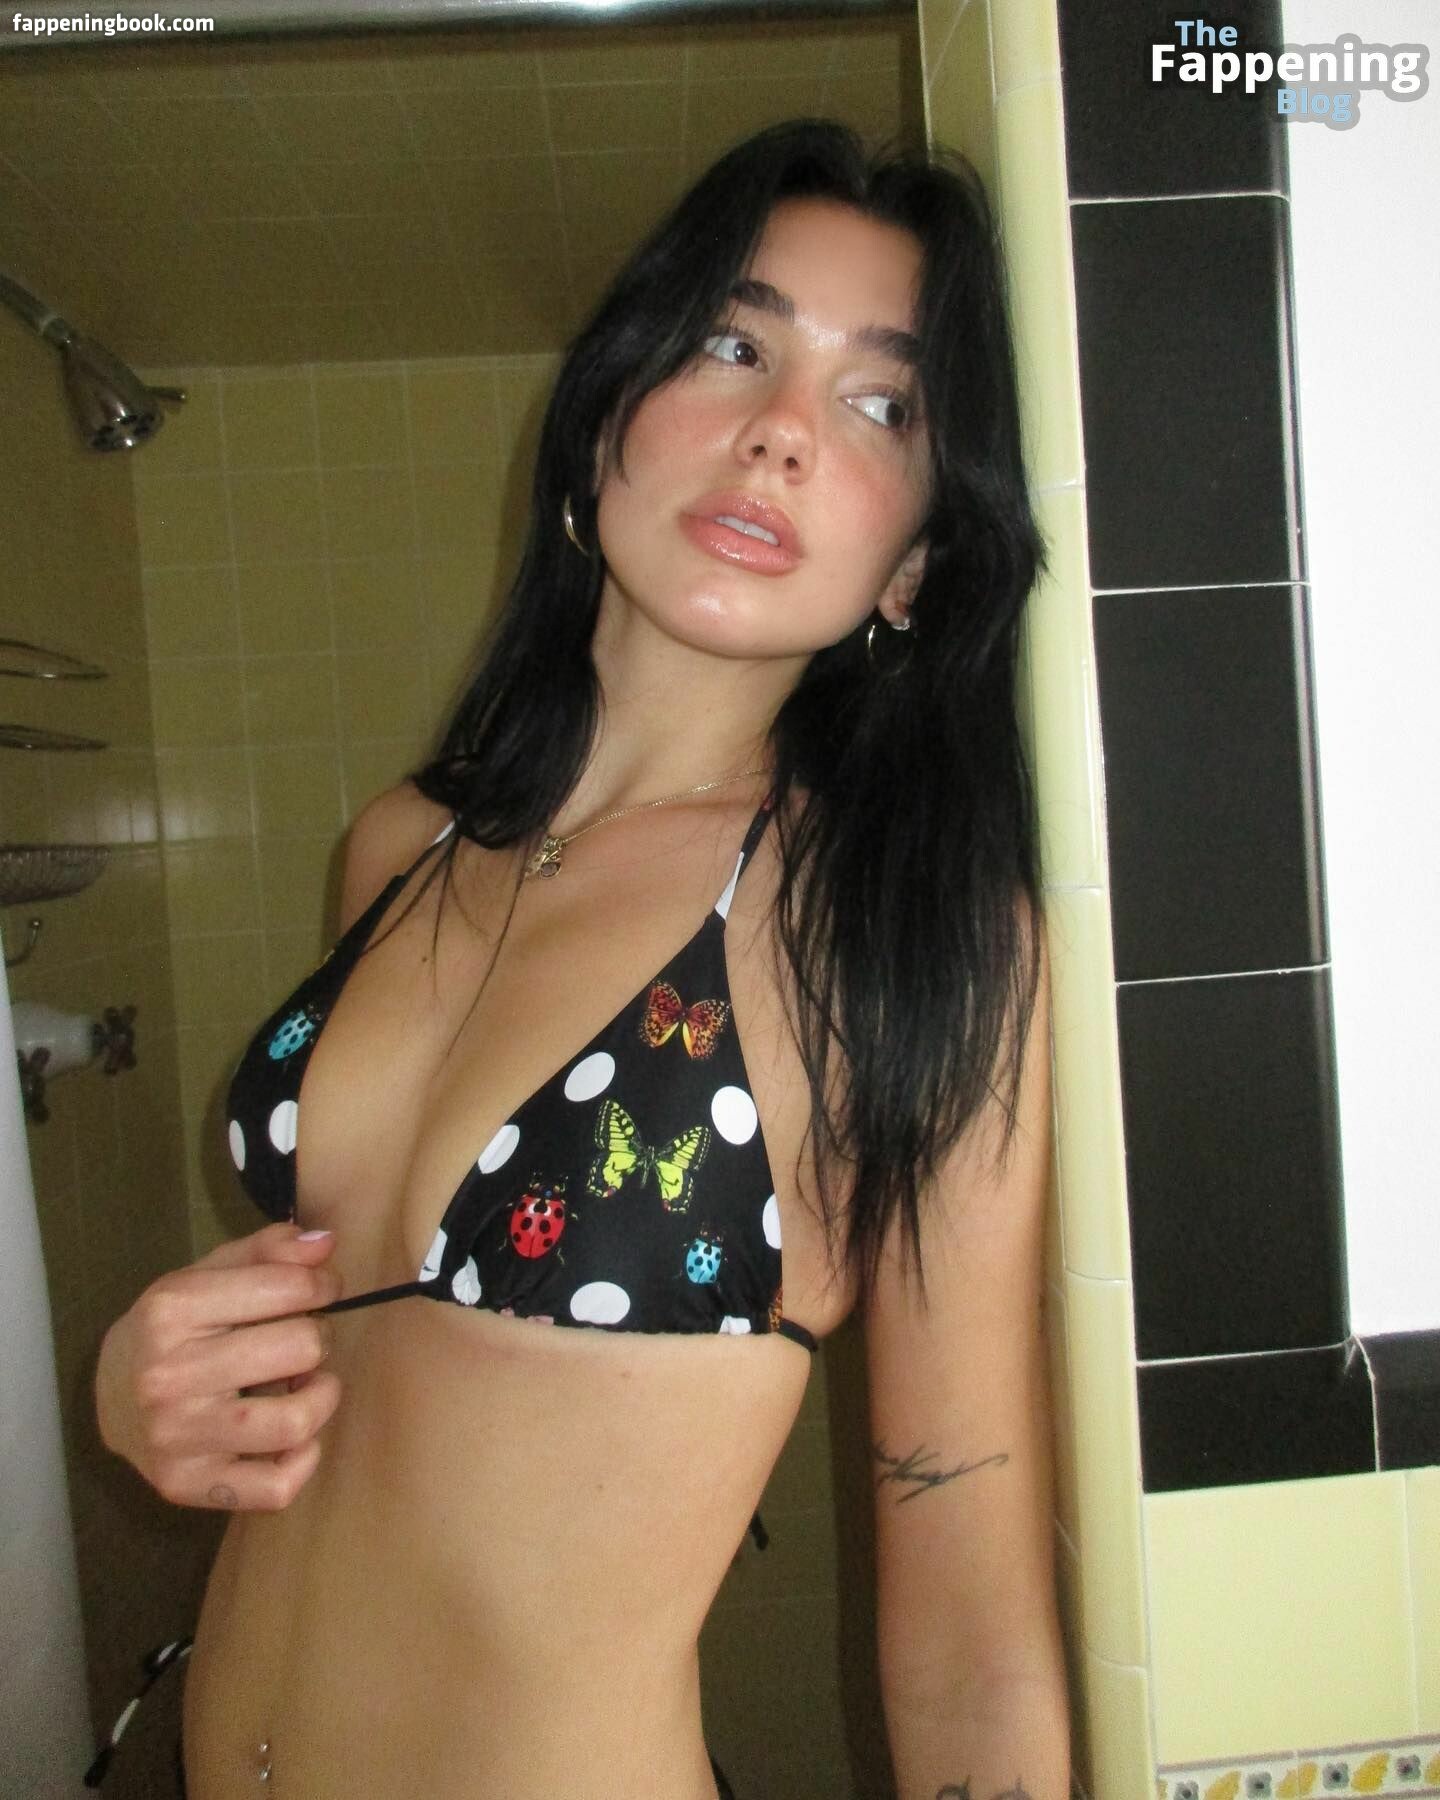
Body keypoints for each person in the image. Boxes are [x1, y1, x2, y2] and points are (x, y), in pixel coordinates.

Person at [94, 118, 1067, 1799]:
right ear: (608, 414)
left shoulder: (898, 930)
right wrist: (150, 1394)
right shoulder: (401, 848)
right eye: (734, 345)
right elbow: (365, 1346)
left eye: (881, 405)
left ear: (914, 558)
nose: (780, 430)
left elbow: (975, 1637)